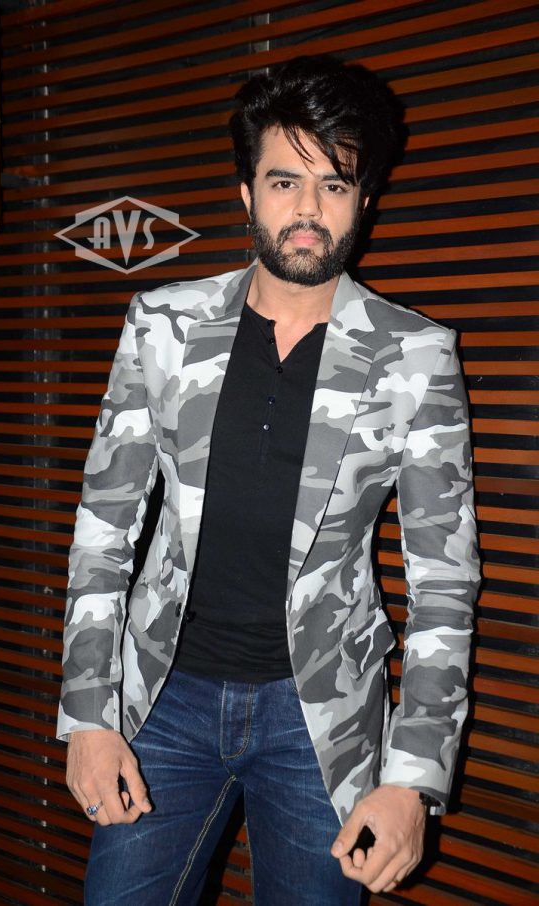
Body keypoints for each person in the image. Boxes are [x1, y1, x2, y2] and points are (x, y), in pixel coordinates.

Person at [57, 55, 480, 905]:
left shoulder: (416, 355)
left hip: (320, 716)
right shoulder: (162, 326)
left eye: (335, 184)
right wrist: (88, 714)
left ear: (364, 201)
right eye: (285, 181)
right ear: (247, 194)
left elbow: (443, 581)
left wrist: (413, 777)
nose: (308, 210)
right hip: (162, 700)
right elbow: (104, 530)